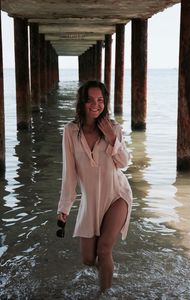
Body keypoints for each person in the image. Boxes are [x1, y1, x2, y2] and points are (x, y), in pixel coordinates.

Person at [57, 80, 133, 292]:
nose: (95, 105)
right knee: (89, 259)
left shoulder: (114, 128)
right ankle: (108, 271)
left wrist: (111, 138)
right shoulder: (70, 131)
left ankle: (104, 294)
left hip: (117, 195)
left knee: (105, 248)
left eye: (100, 100)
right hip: (91, 200)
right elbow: (69, 173)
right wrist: (64, 207)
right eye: (90, 100)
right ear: (82, 102)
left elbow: (124, 163)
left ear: (105, 102)